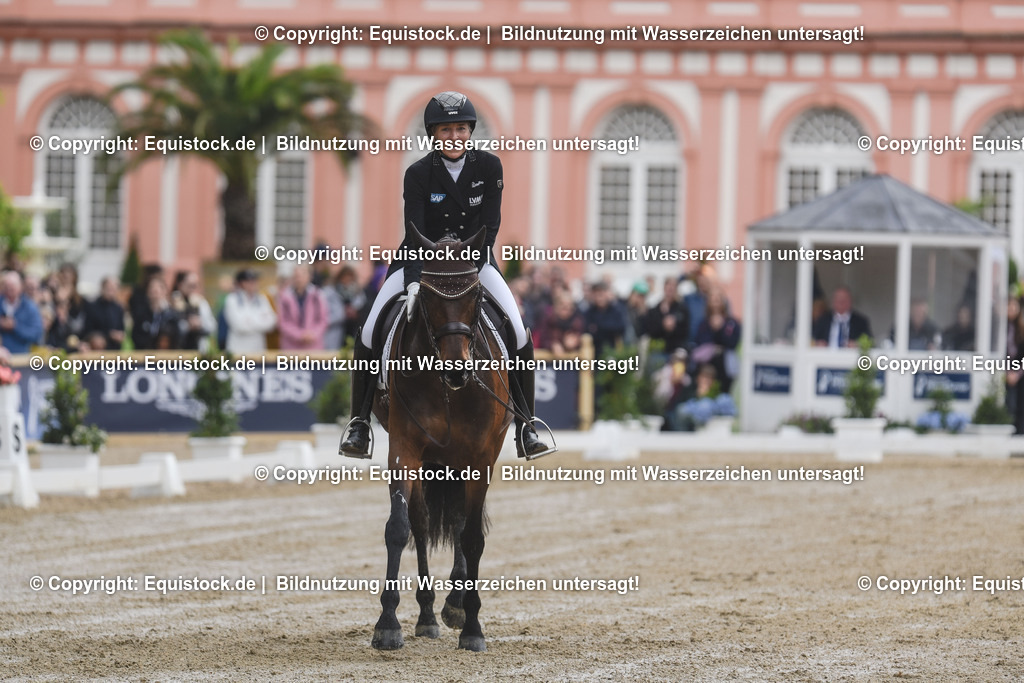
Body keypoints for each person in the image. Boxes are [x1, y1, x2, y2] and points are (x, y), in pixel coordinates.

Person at [340, 91, 554, 459]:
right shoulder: (418, 173)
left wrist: (463, 264)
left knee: (518, 330)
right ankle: (359, 423)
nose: (453, 136)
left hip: (475, 262)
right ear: (433, 135)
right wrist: (412, 282)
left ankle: (526, 424)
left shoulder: (489, 167)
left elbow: (490, 225)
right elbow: (414, 229)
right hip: (419, 261)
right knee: (372, 327)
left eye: (460, 128)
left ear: (469, 131)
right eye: (445, 130)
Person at [223, 269, 277, 353]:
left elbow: (272, 322)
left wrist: (249, 321)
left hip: (258, 351)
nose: (254, 283)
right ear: (241, 283)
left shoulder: (262, 299)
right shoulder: (231, 299)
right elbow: (239, 326)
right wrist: (261, 320)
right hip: (238, 352)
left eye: (255, 280)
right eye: (249, 281)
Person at [277, 265, 328, 350]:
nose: (299, 278)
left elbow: (323, 319)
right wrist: (299, 335)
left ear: (309, 276)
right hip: (291, 347)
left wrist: (312, 334)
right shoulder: (285, 296)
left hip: (313, 346)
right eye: (296, 275)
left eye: (302, 275)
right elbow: (282, 322)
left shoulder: (317, 295)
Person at [171, 270, 217, 352]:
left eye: (195, 286)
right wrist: (188, 325)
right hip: (177, 349)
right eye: (190, 285)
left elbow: (212, 325)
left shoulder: (201, 302)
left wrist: (200, 324)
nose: (193, 289)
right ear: (180, 284)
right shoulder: (172, 301)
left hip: (198, 348)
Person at [131, 277, 182, 350]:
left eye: (159, 288)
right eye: (152, 288)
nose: (155, 291)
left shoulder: (171, 315)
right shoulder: (141, 315)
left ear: (165, 291)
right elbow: (136, 336)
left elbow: (177, 337)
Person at [0, 270, 43, 354]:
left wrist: (15, 326)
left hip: (22, 358)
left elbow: (36, 334)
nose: (10, 289)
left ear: (20, 286)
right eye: (7, 286)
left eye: (13, 286)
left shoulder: (30, 307)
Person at [86, 276, 126, 350]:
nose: (111, 292)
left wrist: (120, 335)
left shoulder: (118, 308)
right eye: (109, 288)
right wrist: (108, 334)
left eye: (114, 289)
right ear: (103, 288)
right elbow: (88, 330)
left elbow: (121, 329)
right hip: (98, 347)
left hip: (114, 347)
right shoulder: (93, 307)